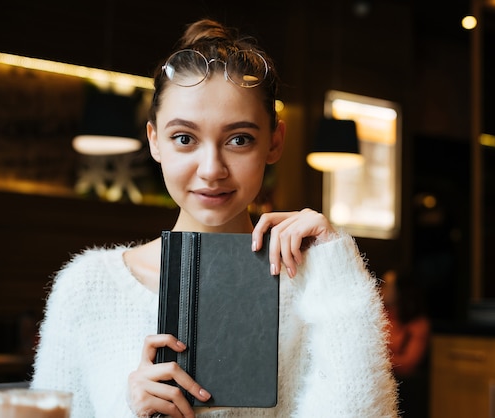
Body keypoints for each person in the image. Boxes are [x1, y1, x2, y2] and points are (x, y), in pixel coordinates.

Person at [31, 19, 398, 418]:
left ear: (274, 142)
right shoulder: (87, 287)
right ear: (155, 141)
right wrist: (129, 410)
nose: (211, 169)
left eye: (239, 139)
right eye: (184, 138)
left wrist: (333, 265)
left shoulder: (318, 287)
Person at [381, 270, 430, 418]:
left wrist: (377, 361)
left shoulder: (418, 325)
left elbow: (409, 363)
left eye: (388, 285)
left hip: (407, 392)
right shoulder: (382, 317)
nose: (381, 288)